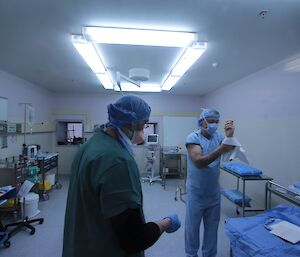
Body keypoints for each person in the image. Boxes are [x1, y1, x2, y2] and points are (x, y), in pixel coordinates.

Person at [62, 94, 181, 257]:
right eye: (145, 124)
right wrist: (166, 222)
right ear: (132, 122)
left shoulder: (89, 146)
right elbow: (134, 239)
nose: (144, 130)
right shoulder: (118, 160)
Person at [184, 108, 235, 257]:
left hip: (213, 193)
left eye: (217, 122)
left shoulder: (219, 137)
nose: (214, 125)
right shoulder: (193, 138)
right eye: (211, 121)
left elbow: (230, 149)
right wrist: (222, 149)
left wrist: (230, 136)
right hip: (196, 193)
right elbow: (198, 162)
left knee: (212, 229)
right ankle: (191, 254)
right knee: (192, 228)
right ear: (202, 122)